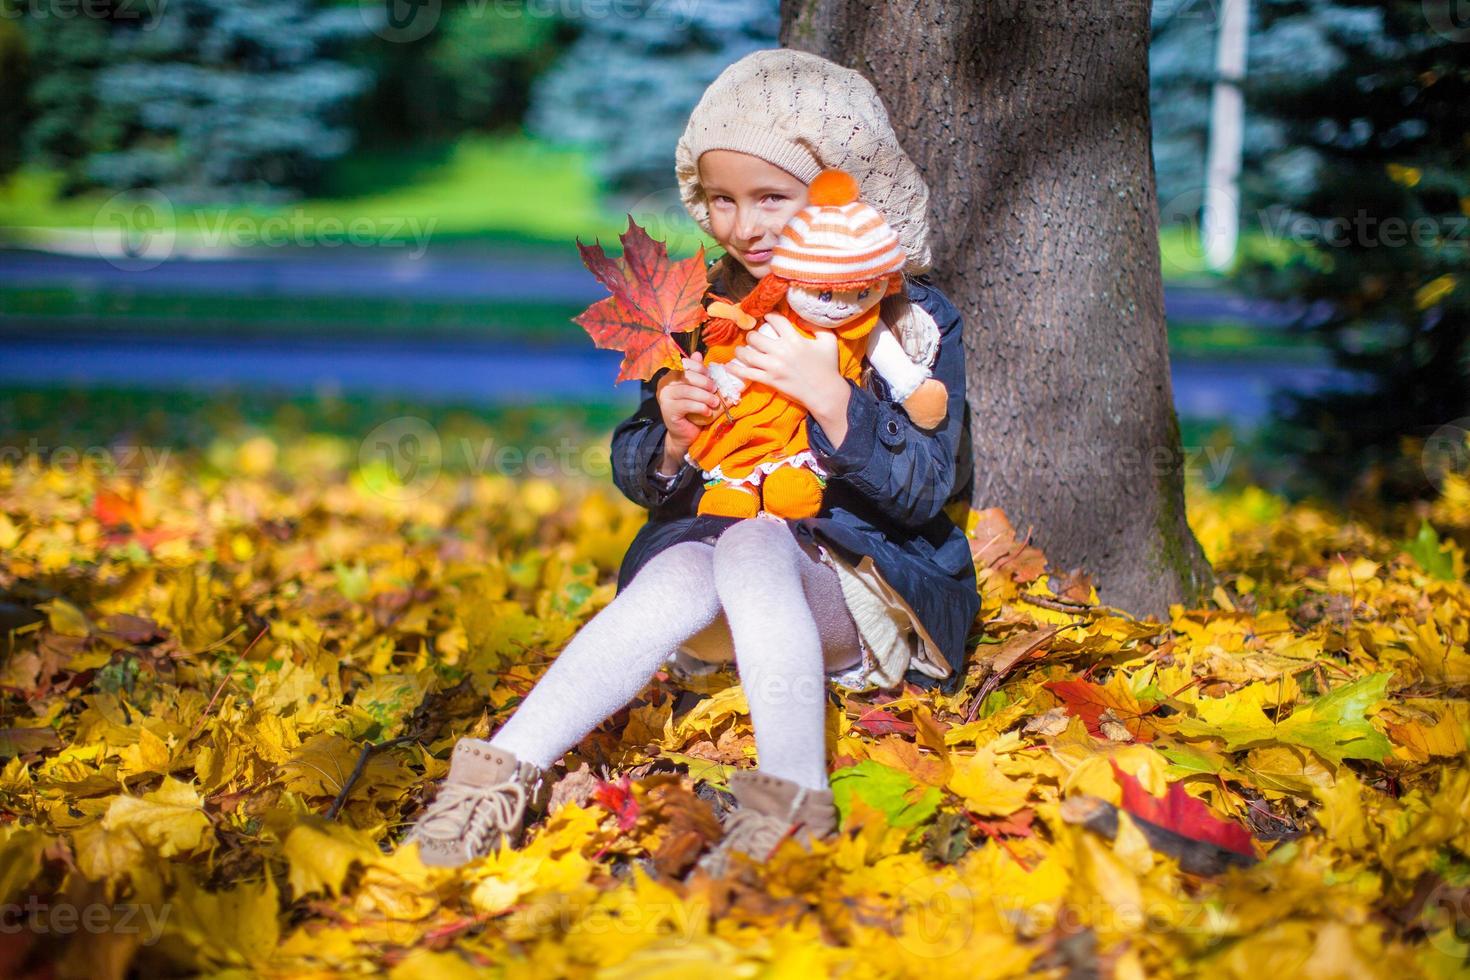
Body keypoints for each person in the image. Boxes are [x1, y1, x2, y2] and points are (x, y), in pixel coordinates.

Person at [402, 48, 981, 876]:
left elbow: (929, 491)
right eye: (721, 200)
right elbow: (638, 465)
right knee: (679, 572)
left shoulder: (906, 324)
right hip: (723, 596)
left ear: (834, 192)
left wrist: (833, 403)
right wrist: (671, 435)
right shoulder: (705, 308)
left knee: (748, 545)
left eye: (771, 198)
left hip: (861, 593)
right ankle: (497, 780)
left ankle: (790, 804)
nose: (745, 226)